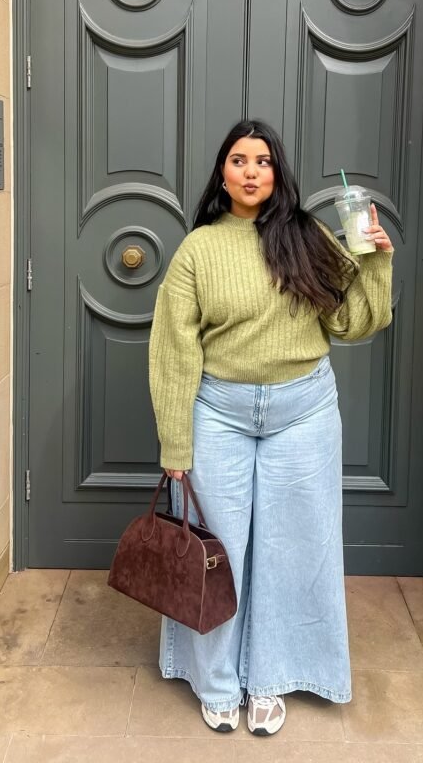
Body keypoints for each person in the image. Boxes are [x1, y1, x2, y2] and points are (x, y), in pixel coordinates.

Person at [148, 119, 394, 736]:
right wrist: (176, 442)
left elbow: (354, 323)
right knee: (216, 553)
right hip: (219, 413)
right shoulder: (198, 249)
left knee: (296, 551)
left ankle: (274, 678)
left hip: (303, 411)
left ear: (278, 172)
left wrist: (377, 262)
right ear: (222, 173)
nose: (252, 171)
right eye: (239, 160)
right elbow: (174, 350)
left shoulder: (307, 236)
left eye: (262, 160)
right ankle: (217, 682)